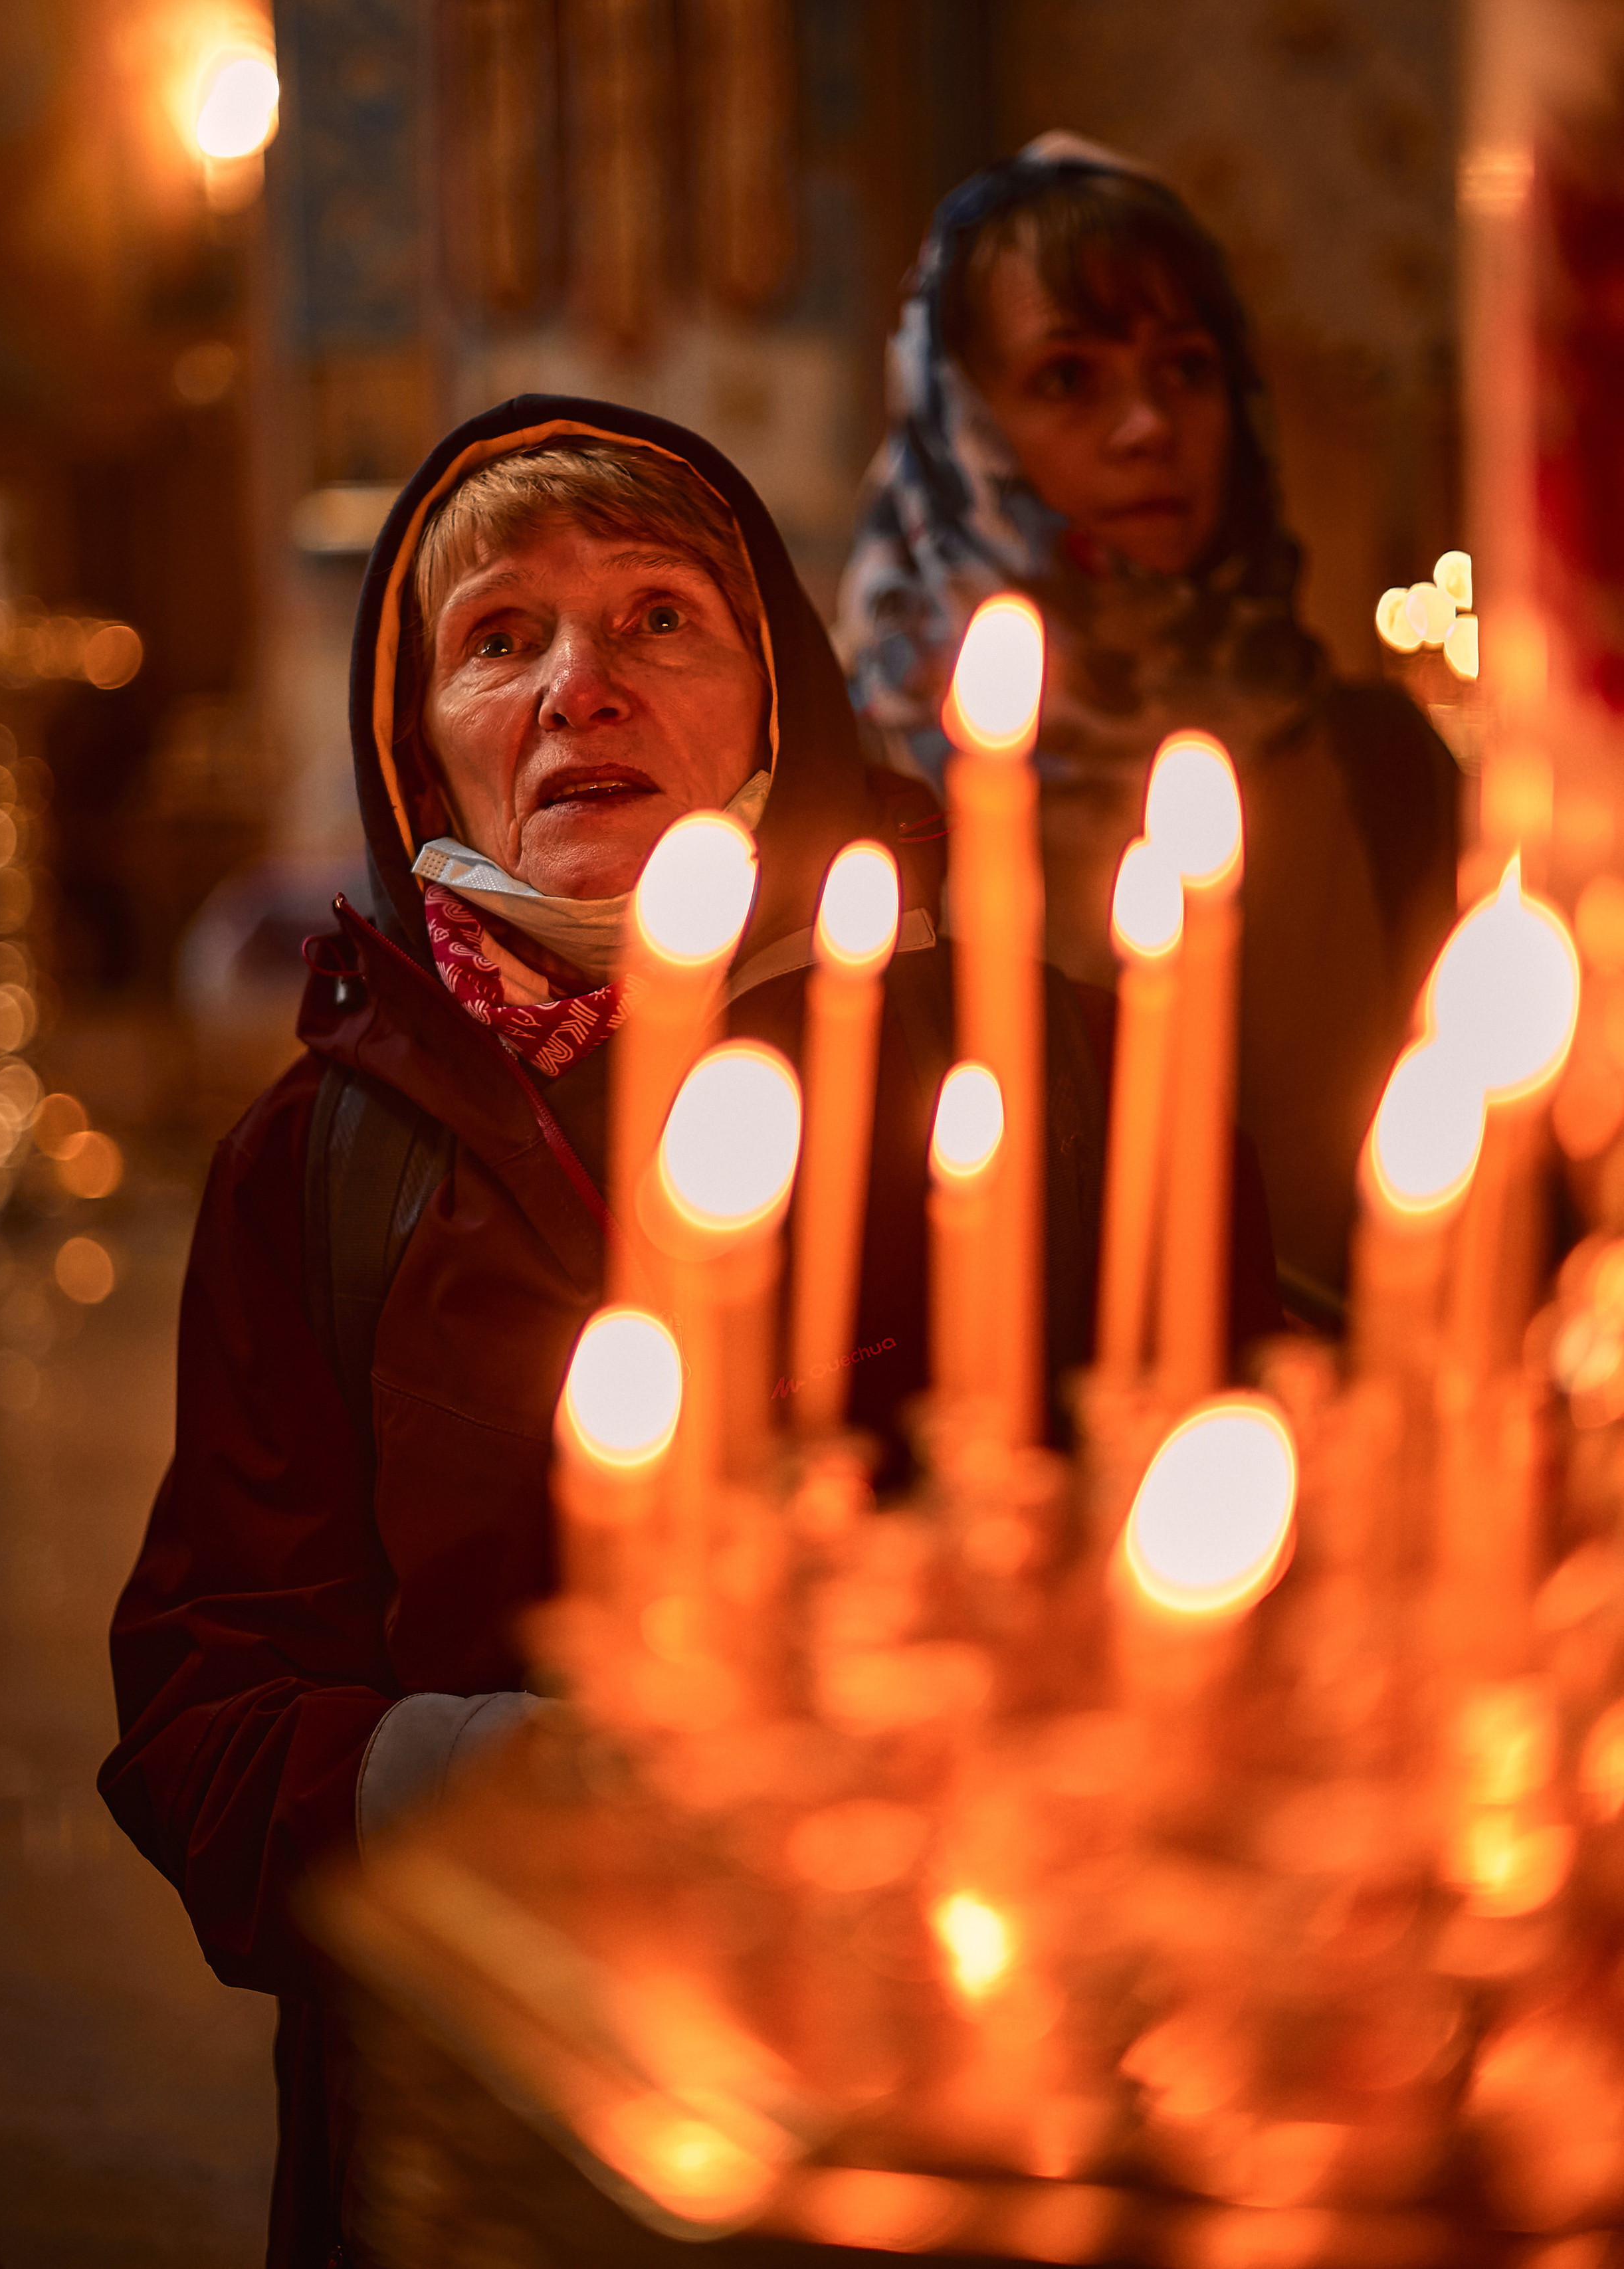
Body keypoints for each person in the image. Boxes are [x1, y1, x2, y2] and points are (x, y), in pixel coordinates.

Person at [98, 395, 1278, 2268]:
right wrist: (521, 1781)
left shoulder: (1050, 1079)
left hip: (955, 2118)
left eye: (658, 616)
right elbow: (205, 1717)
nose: (581, 686)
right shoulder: (310, 1168)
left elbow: (1252, 1597)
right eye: (501, 639)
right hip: (477, 2138)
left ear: (776, 698)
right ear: (422, 757)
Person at [835, 134, 1459, 1312]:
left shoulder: (1381, 768)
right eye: (1067, 379)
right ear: (960, 421)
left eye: (1186, 369)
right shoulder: (853, 776)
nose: (1148, 427)